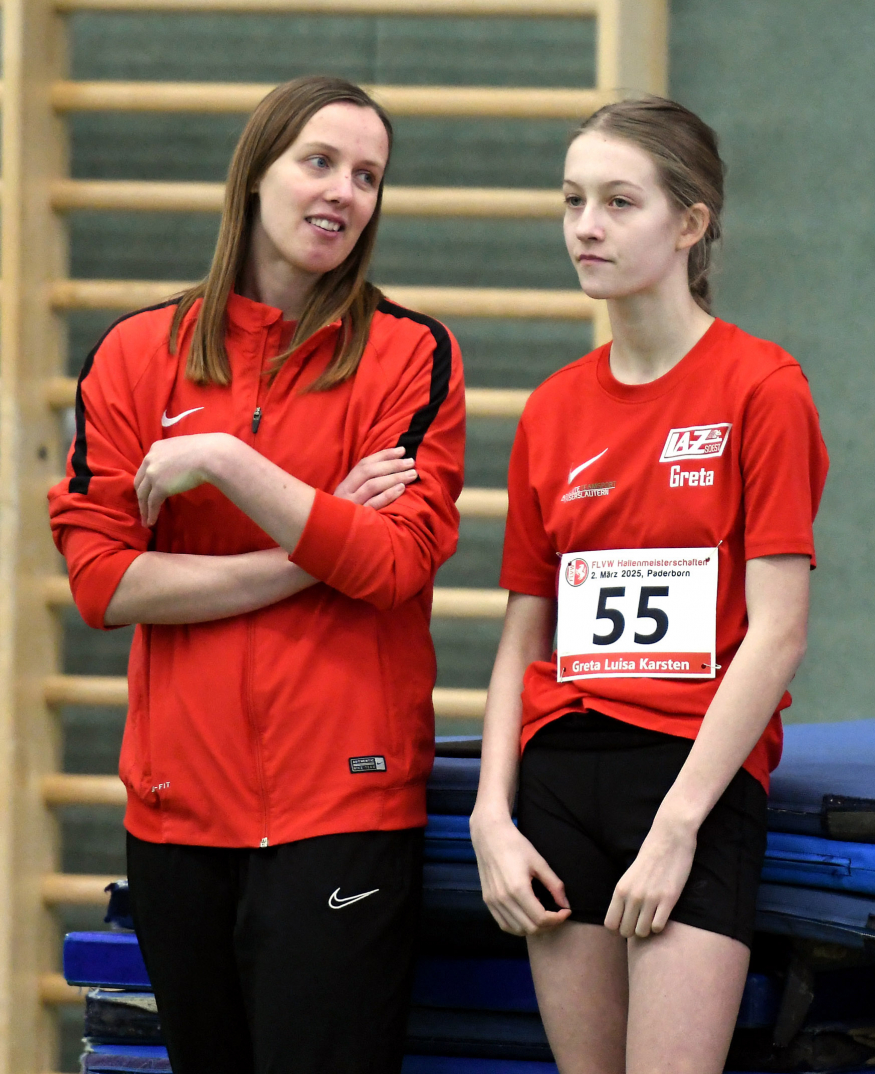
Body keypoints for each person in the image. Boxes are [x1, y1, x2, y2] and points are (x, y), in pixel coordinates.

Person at [49, 75, 465, 1074]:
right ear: (256, 175)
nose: (344, 192)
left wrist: (231, 466)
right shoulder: (134, 354)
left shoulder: (411, 355)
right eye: (319, 161)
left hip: (343, 810)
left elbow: (398, 562)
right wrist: (314, 547)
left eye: (368, 175)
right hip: (176, 809)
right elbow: (106, 584)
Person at [470, 96, 828, 1074]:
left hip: (691, 780)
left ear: (690, 222)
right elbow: (522, 637)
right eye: (573, 200)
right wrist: (490, 816)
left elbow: (778, 633)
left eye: (619, 201)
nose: (586, 225)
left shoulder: (762, 388)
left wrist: (679, 827)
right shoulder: (549, 411)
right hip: (559, 786)